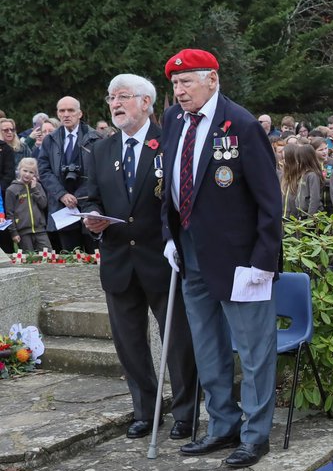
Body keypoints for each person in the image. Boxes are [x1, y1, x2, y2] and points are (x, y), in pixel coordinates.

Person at [160, 48, 283, 469]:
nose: (179, 91)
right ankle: (221, 425)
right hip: (190, 251)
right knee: (207, 345)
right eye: (175, 83)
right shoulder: (174, 120)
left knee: (253, 350)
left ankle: (255, 434)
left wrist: (263, 260)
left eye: (186, 82)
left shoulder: (242, 125)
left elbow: (269, 201)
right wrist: (169, 236)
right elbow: (170, 183)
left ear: (212, 79)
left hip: (240, 259)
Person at [77, 73, 199, 440]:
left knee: (177, 341)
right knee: (129, 343)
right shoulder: (101, 149)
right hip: (118, 258)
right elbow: (91, 195)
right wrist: (93, 218)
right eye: (111, 97)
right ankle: (146, 410)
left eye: (123, 97)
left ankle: (185, 413)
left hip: (162, 259)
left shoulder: (170, 142)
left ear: (146, 102)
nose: (115, 104)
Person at [38, 96, 100, 252]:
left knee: (95, 256)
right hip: (62, 208)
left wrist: (79, 195)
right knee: (70, 257)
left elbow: (101, 172)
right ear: (58, 114)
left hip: (89, 205)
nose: (66, 114)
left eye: (71, 110)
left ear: (80, 113)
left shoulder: (95, 138)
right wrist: (62, 194)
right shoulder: (50, 140)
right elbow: (44, 171)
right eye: (62, 111)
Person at [5, 158, 51, 250]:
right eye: (25, 170)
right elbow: (10, 213)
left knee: (48, 254)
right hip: (23, 232)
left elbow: (43, 204)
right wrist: (14, 233)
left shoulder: (38, 186)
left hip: (40, 230)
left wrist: (34, 189)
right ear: (19, 170)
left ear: (35, 174)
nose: (27, 174)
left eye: (31, 172)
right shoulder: (11, 189)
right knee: (28, 257)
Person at [280, 142, 324, 218]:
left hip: (305, 216)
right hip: (298, 215)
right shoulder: (286, 176)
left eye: (285, 159)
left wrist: (310, 217)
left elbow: (314, 198)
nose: (283, 161)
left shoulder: (310, 175)